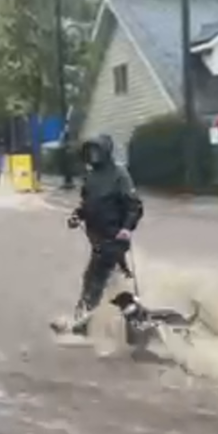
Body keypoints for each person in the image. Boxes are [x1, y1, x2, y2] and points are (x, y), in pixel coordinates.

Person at [62, 134, 144, 335]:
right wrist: (76, 216)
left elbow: (134, 206)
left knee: (95, 279)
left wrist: (126, 228)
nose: (93, 155)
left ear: (106, 152)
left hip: (115, 238)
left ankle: (84, 324)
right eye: (90, 151)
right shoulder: (90, 178)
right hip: (97, 238)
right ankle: (125, 319)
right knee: (106, 280)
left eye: (97, 151)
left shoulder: (119, 175)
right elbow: (87, 205)